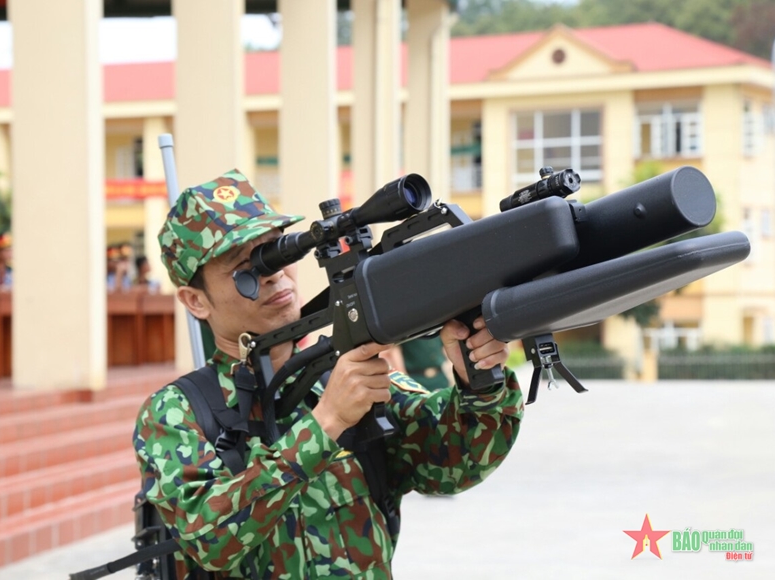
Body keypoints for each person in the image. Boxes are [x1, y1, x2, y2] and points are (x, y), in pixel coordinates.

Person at [133, 169, 524, 579]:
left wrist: (479, 381)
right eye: (243, 269)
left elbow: (455, 463)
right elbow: (208, 538)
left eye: (276, 252)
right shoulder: (176, 413)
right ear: (195, 300)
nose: (273, 273)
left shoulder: (345, 374)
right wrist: (328, 422)